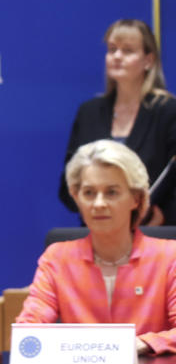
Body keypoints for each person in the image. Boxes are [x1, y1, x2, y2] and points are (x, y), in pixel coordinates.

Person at [20, 139, 176, 354]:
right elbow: (28, 330)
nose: (99, 203)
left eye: (112, 192)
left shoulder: (169, 256)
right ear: (76, 197)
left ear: (136, 199)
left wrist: (141, 344)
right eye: (89, 193)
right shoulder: (57, 259)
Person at [59, 19, 176, 224]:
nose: (117, 57)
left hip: (155, 234)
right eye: (112, 50)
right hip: (98, 235)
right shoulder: (89, 112)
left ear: (148, 61)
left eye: (128, 51)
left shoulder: (167, 111)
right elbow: (68, 184)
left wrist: (161, 217)